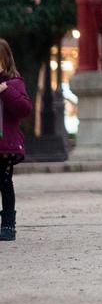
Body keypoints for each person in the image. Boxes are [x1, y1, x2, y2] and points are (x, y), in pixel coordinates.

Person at [0, 39, 33, 241]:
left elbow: (24, 109)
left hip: (4, 146)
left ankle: (8, 225)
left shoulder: (14, 83)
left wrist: (6, 91)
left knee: (4, 182)